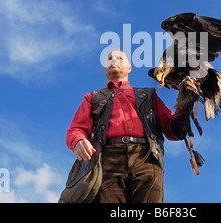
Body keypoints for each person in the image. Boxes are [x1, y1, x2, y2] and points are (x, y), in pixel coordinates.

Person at [66, 49, 198, 203]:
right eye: (109, 59)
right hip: (107, 159)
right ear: (105, 68)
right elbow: (76, 130)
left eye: (119, 58)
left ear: (129, 67)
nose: (114, 61)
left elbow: (173, 131)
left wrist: (184, 109)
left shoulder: (149, 95)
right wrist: (78, 140)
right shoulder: (93, 98)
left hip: (147, 158)